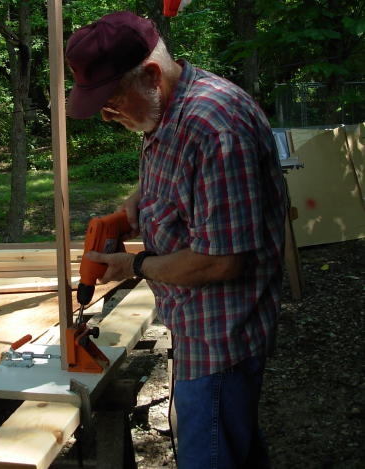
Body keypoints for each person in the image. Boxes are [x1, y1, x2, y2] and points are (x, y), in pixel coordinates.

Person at [65, 11, 286, 469]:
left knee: (210, 453)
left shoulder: (216, 126)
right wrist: (134, 206)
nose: (107, 115)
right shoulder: (166, 109)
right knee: (233, 446)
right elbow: (172, 172)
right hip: (194, 326)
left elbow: (220, 262)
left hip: (221, 337)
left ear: (150, 75)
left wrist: (136, 265)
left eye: (111, 101)